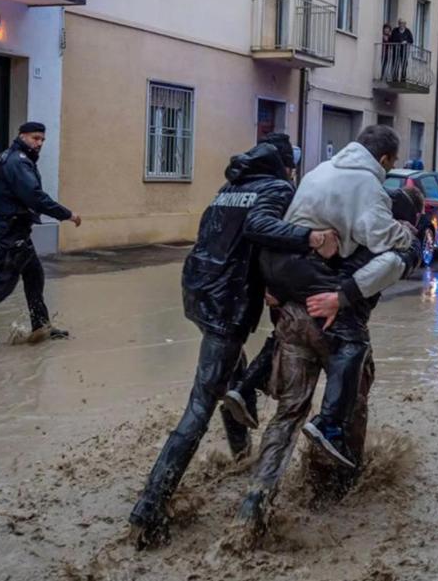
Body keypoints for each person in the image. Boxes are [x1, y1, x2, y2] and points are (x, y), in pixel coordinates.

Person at [128, 134, 339, 549]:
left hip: (200, 292)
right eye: (292, 162)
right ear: (284, 163)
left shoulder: (232, 187)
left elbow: (225, 236)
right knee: (200, 404)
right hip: (228, 305)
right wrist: (311, 239)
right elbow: (260, 228)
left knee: (228, 373)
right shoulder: (276, 188)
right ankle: (149, 507)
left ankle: (240, 453)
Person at [234, 187, 423, 533]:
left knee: (288, 413)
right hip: (340, 328)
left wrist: (273, 287)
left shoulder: (338, 218)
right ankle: (335, 490)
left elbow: (289, 246)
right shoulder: (394, 240)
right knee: (350, 406)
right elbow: (388, 266)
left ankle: (255, 500)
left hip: (295, 318)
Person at [0, 123, 80, 356]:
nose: (39, 143)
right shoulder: (19, 161)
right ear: (22, 136)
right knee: (4, 284)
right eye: (35, 138)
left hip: (15, 227)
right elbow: (34, 196)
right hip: (13, 229)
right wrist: (67, 214)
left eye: (42, 139)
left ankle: (41, 326)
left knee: (34, 275)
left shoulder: (6, 156)